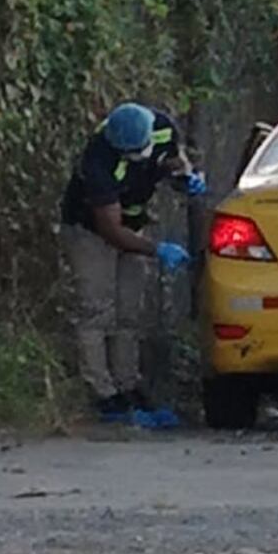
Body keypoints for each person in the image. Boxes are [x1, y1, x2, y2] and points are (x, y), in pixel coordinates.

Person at [60, 102, 204, 428]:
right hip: (91, 231)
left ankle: (128, 384)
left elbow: (172, 158)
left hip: (133, 223)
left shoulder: (162, 127)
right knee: (97, 311)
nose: (134, 157)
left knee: (129, 311)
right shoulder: (99, 159)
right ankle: (103, 393)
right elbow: (111, 230)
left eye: (138, 151)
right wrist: (156, 249)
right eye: (128, 154)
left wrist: (185, 177)